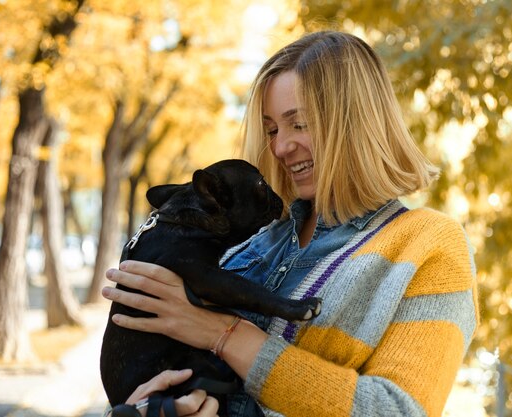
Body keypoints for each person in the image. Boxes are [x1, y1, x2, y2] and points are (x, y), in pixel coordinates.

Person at [102, 30, 479, 417]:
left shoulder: (428, 245)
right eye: (272, 130)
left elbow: (396, 411)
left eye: (299, 124)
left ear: (356, 122)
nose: (280, 147)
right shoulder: (246, 241)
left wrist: (223, 335)